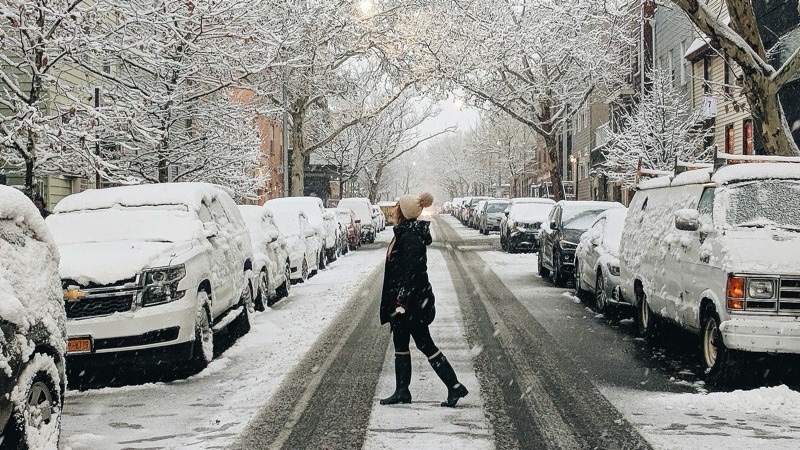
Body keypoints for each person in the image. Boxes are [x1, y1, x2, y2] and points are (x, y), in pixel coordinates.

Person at [379, 192, 469, 407]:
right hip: (409, 300)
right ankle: (402, 391)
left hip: (411, 303)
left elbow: (411, 272)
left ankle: (454, 386)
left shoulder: (410, 236)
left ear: (404, 212)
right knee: (402, 344)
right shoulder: (406, 232)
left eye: (398, 208)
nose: (394, 211)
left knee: (425, 344)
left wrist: (401, 300)